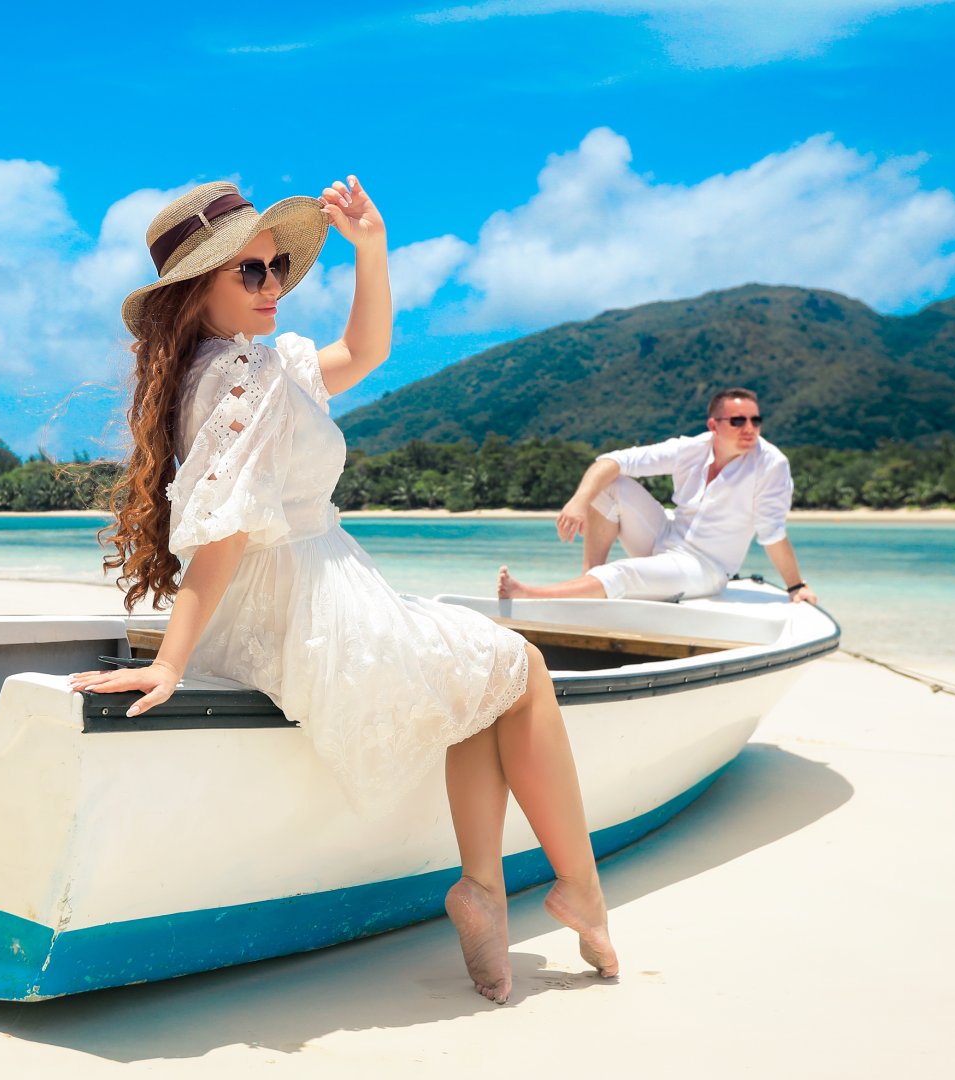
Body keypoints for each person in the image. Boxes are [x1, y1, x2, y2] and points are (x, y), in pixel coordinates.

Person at [69, 178, 618, 1001]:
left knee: (478, 681)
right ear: (197, 293)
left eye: (277, 267)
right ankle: (576, 887)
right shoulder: (244, 376)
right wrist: (170, 666)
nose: (272, 286)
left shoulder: (241, 367)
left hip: (284, 601)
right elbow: (222, 533)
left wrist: (371, 252)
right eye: (247, 274)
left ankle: (485, 892)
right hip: (314, 608)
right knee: (521, 668)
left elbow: (365, 355)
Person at [497, 389, 819, 605]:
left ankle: (530, 595)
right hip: (665, 537)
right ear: (714, 425)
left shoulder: (770, 464)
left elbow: (772, 534)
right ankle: (589, 578)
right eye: (738, 421)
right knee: (611, 484)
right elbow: (613, 461)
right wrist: (578, 501)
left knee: (622, 572)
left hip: (705, 567)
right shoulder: (691, 449)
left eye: (755, 420)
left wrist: (795, 587)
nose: (749, 428)